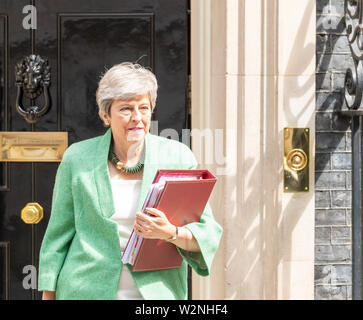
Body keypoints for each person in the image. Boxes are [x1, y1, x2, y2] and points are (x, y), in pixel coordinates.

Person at [38, 62, 222, 300]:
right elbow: (57, 236)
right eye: (126, 109)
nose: (137, 118)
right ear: (106, 115)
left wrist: (171, 233)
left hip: (157, 294)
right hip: (84, 290)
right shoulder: (77, 158)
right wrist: (48, 294)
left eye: (144, 108)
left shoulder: (177, 157)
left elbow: (207, 233)